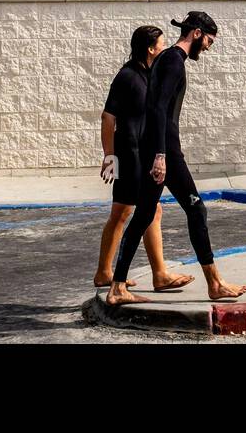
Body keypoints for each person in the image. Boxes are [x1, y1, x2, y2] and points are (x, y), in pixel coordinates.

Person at [106, 11, 246, 306]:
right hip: (166, 152)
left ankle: (117, 287)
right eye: (209, 40)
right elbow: (158, 109)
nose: (209, 46)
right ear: (196, 33)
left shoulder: (166, 59)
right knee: (196, 211)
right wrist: (161, 156)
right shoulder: (172, 60)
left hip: (156, 149)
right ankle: (215, 284)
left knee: (144, 215)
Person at [93, 26, 194, 292]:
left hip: (141, 152)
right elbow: (108, 118)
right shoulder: (128, 76)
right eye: (161, 44)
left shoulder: (152, 75)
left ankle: (105, 271)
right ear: (150, 49)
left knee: (126, 212)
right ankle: (158, 273)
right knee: (137, 211)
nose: (165, 48)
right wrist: (109, 156)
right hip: (129, 154)